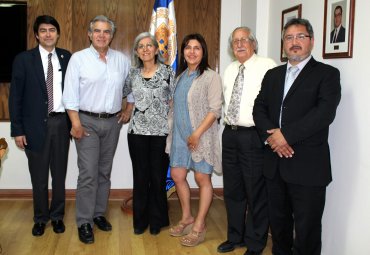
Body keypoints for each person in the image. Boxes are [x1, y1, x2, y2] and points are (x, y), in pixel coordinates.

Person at [253, 18, 341, 255]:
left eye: (300, 37)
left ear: (311, 41)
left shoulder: (327, 75)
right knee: (279, 227)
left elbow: (324, 114)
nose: (294, 42)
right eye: (289, 38)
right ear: (283, 43)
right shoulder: (272, 75)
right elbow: (258, 109)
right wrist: (273, 139)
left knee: (307, 230)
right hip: (274, 164)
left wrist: (286, 136)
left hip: (308, 167)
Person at [62, 15, 130, 244]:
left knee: (104, 172)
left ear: (112, 35)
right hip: (86, 122)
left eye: (106, 32)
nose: (102, 35)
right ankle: (84, 221)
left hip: (112, 123)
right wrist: (76, 124)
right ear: (90, 34)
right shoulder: (78, 59)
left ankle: (98, 213)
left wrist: (128, 109)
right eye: (97, 31)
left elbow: (130, 89)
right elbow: (69, 96)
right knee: (88, 173)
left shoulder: (121, 60)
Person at [9, 15, 71, 236]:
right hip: (34, 126)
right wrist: (17, 130)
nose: (47, 34)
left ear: (57, 34)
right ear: (36, 35)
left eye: (52, 30)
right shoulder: (23, 60)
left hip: (62, 124)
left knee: (59, 175)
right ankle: (40, 218)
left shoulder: (66, 57)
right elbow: (15, 97)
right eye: (43, 30)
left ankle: (57, 216)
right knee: (39, 176)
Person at [217, 27, 276, 255]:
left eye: (244, 40)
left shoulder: (267, 65)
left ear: (253, 43)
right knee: (232, 190)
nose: (239, 44)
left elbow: (272, 102)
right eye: (235, 41)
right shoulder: (230, 69)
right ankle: (235, 237)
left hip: (253, 135)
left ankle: (255, 243)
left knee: (255, 191)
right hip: (230, 133)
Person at [166, 33, 222, 247]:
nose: (191, 51)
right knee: (178, 175)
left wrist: (197, 134)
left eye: (196, 48)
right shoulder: (179, 78)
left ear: (203, 51)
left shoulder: (210, 76)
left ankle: (199, 225)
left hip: (202, 137)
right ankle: (187, 217)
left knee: (202, 179)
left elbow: (215, 110)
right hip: (180, 137)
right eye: (188, 47)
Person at [121, 32, 175, 235]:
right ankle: (140, 221)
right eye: (140, 46)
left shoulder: (168, 72)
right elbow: (128, 94)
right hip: (137, 133)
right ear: (136, 52)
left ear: (156, 49)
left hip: (161, 133)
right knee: (141, 176)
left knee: (158, 177)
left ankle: (157, 221)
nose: (145, 49)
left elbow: (173, 101)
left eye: (149, 45)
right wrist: (127, 109)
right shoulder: (133, 74)